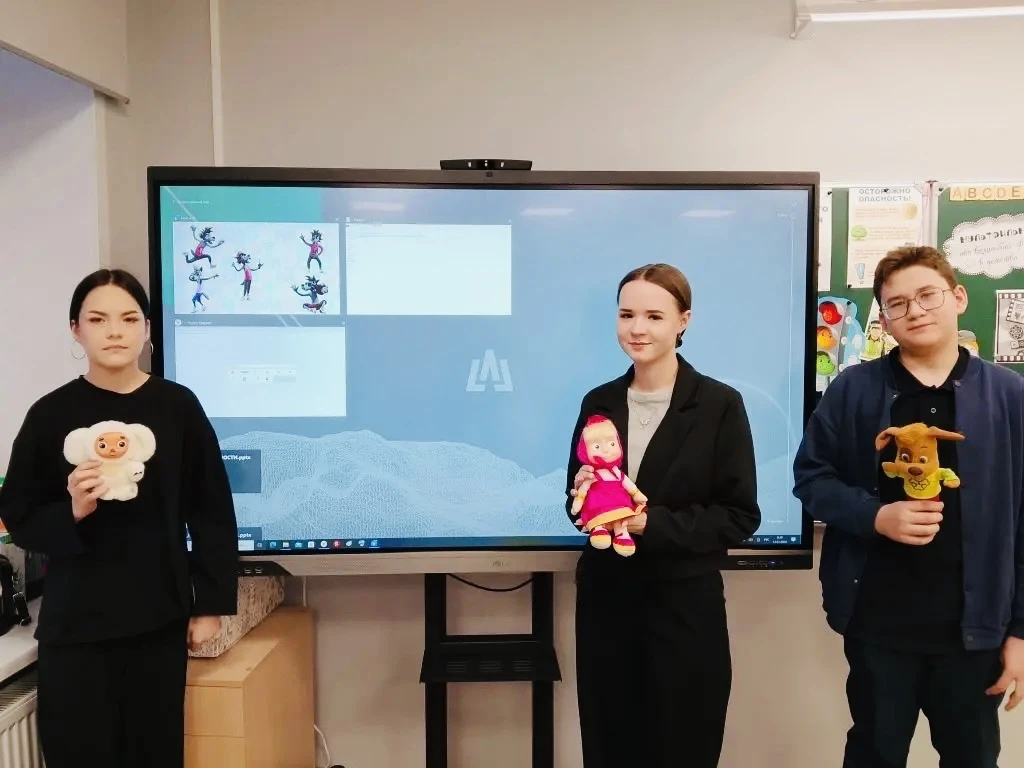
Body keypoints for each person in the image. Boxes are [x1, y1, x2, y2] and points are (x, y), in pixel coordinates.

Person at [793, 246, 1024, 767]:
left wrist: (1021, 633)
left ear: (958, 297)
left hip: (975, 632)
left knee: (972, 756)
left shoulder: (1009, 396)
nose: (914, 311)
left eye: (927, 296)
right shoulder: (853, 389)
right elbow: (811, 478)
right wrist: (874, 515)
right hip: (878, 625)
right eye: (897, 304)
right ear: (885, 317)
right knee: (874, 753)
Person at [0, 268, 239, 768]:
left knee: (154, 754)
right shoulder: (49, 414)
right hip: (75, 628)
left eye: (129, 319)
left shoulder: (178, 407)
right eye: (98, 319)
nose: (115, 331)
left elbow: (212, 512)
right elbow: (18, 516)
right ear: (75, 329)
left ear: (147, 329)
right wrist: (72, 509)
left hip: (158, 621)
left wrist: (211, 604)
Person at [566, 263, 761, 768]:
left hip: (684, 611)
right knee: (609, 748)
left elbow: (739, 515)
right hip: (607, 605)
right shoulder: (598, 401)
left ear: (683, 321)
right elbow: (575, 506)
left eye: (654, 316)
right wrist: (584, 497)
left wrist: (649, 523)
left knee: (683, 748)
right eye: (626, 314)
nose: (637, 328)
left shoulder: (719, 404)